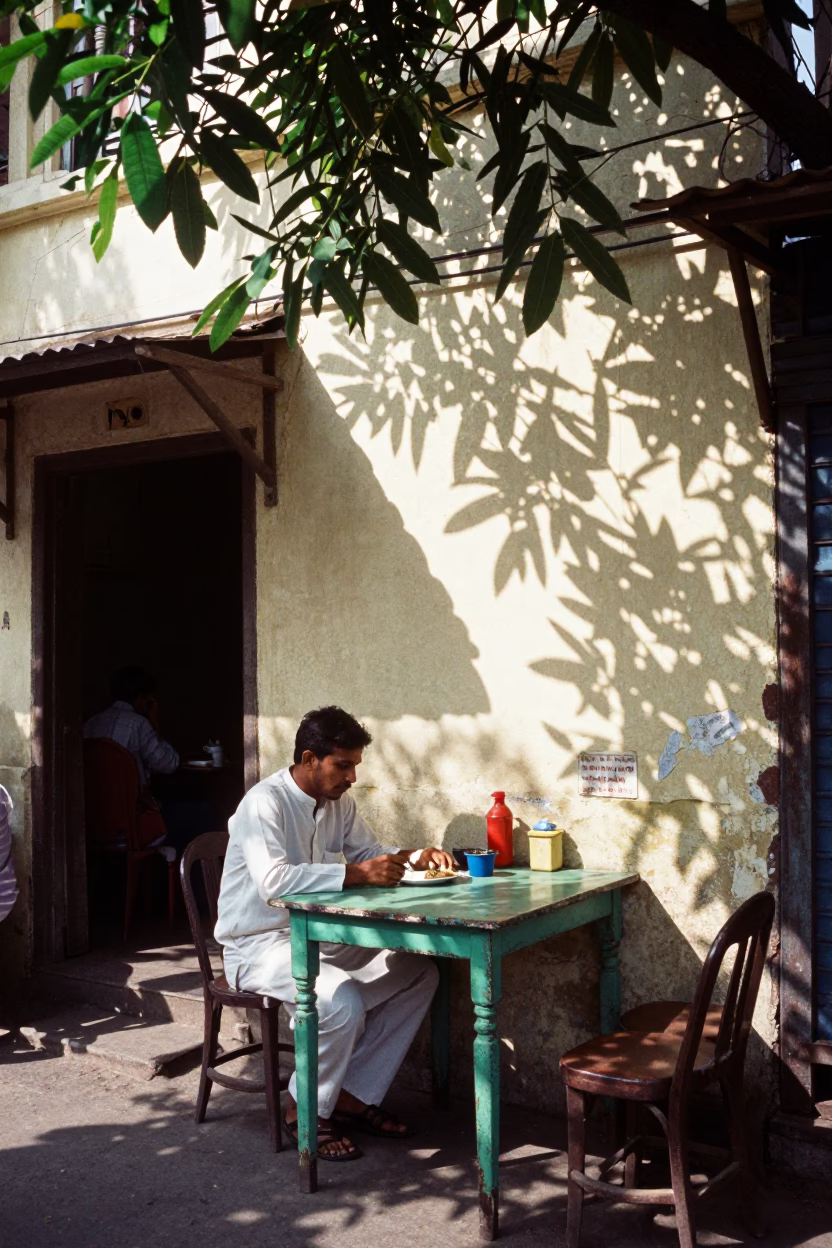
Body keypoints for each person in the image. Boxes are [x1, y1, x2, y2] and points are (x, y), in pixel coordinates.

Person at [215, 706, 455, 1161]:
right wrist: (355, 874)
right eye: (343, 765)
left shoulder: (338, 802)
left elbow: (368, 853)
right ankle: (302, 1109)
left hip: (319, 937)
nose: (351, 777)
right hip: (259, 945)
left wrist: (414, 855)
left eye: (355, 766)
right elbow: (275, 882)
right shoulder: (264, 803)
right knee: (340, 1001)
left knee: (419, 971)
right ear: (310, 759)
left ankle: (349, 1094)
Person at [83, 666, 179, 788]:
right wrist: (154, 723)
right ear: (141, 698)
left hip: (96, 803)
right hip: (130, 804)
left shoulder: (91, 723)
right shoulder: (139, 724)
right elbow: (168, 765)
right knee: (201, 806)